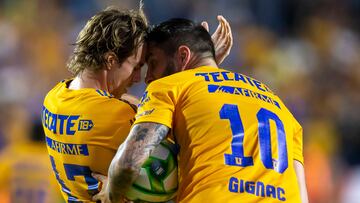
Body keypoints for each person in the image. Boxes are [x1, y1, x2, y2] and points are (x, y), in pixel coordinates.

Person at [96, 18, 309, 203]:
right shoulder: (278, 104)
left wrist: (112, 193)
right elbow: (301, 196)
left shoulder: (170, 86)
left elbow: (128, 165)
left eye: (153, 63)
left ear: (182, 56)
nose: (148, 77)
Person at [42, 5, 232, 203]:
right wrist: (203, 67)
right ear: (110, 60)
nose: (137, 79)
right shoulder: (120, 115)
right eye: (137, 67)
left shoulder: (54, 97)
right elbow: (188, 141)